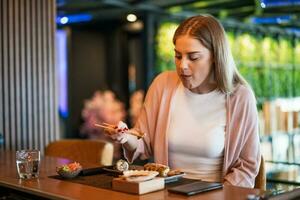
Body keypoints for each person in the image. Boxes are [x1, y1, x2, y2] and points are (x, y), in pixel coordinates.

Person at [106, 14, 261, 188]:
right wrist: (125, 137)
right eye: (178, 56)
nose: (183, 66)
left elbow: (246, 167)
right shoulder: (163, 85)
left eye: (193, 57)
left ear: (216, 57)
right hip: (165, 193)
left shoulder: (240, 97)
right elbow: (142, 141)